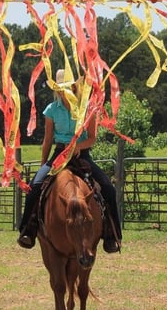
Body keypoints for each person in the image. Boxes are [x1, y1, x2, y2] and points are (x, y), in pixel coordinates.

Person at [17, 69, 122, 253]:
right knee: (35, 187)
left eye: (68, 87)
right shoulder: (51, 110)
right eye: (61, 88)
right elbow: (48, 139)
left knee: (108, 188)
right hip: (58, 154)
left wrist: (77, 148)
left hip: (82, 154)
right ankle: (28, 230)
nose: (64, 91)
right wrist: (44, 164)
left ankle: (112, 235)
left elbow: (91, 138)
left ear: (75, 87)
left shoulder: (87, 108)